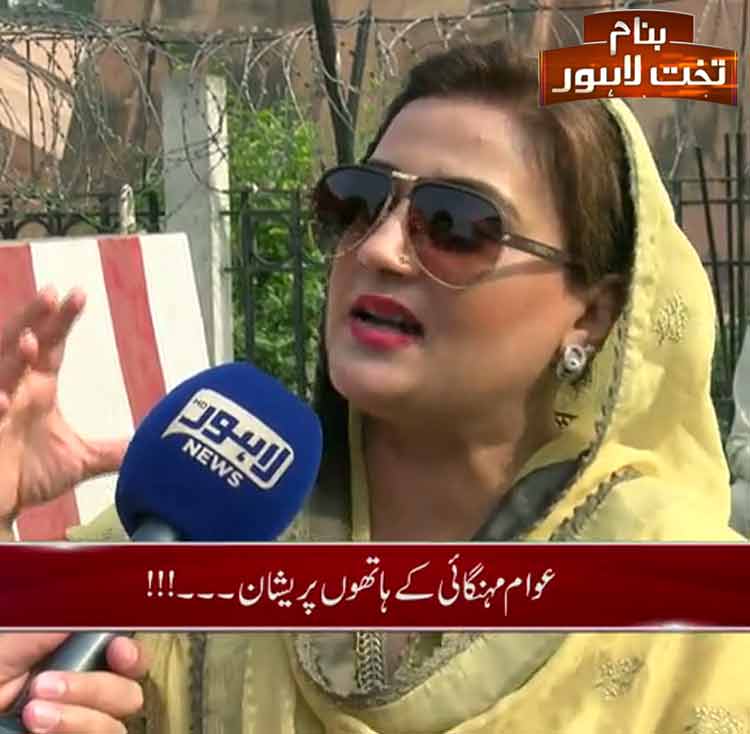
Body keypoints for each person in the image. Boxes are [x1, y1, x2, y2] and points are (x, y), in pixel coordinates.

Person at [0, 39, 748, 734]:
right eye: (360, 203)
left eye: (454, 224)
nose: (380, 249)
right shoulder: (221, 511)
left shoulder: (691, 615)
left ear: (592, 313)